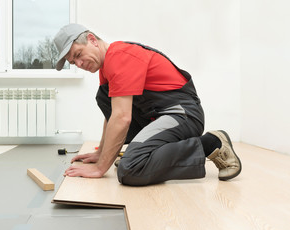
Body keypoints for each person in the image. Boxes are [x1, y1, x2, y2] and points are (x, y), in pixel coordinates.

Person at [54, 23, 241, 186]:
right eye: (73, 62)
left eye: (78, 54)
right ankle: (145, 155)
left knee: (130, 168)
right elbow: (112, 115)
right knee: (104, 96)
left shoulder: (119, 57)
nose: (79, 63)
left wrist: (100, 167)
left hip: (183, 115)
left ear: (92, 39)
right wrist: (101, 153)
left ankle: (210, 144)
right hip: (158, 115)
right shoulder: (106, 67)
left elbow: (122, 118)